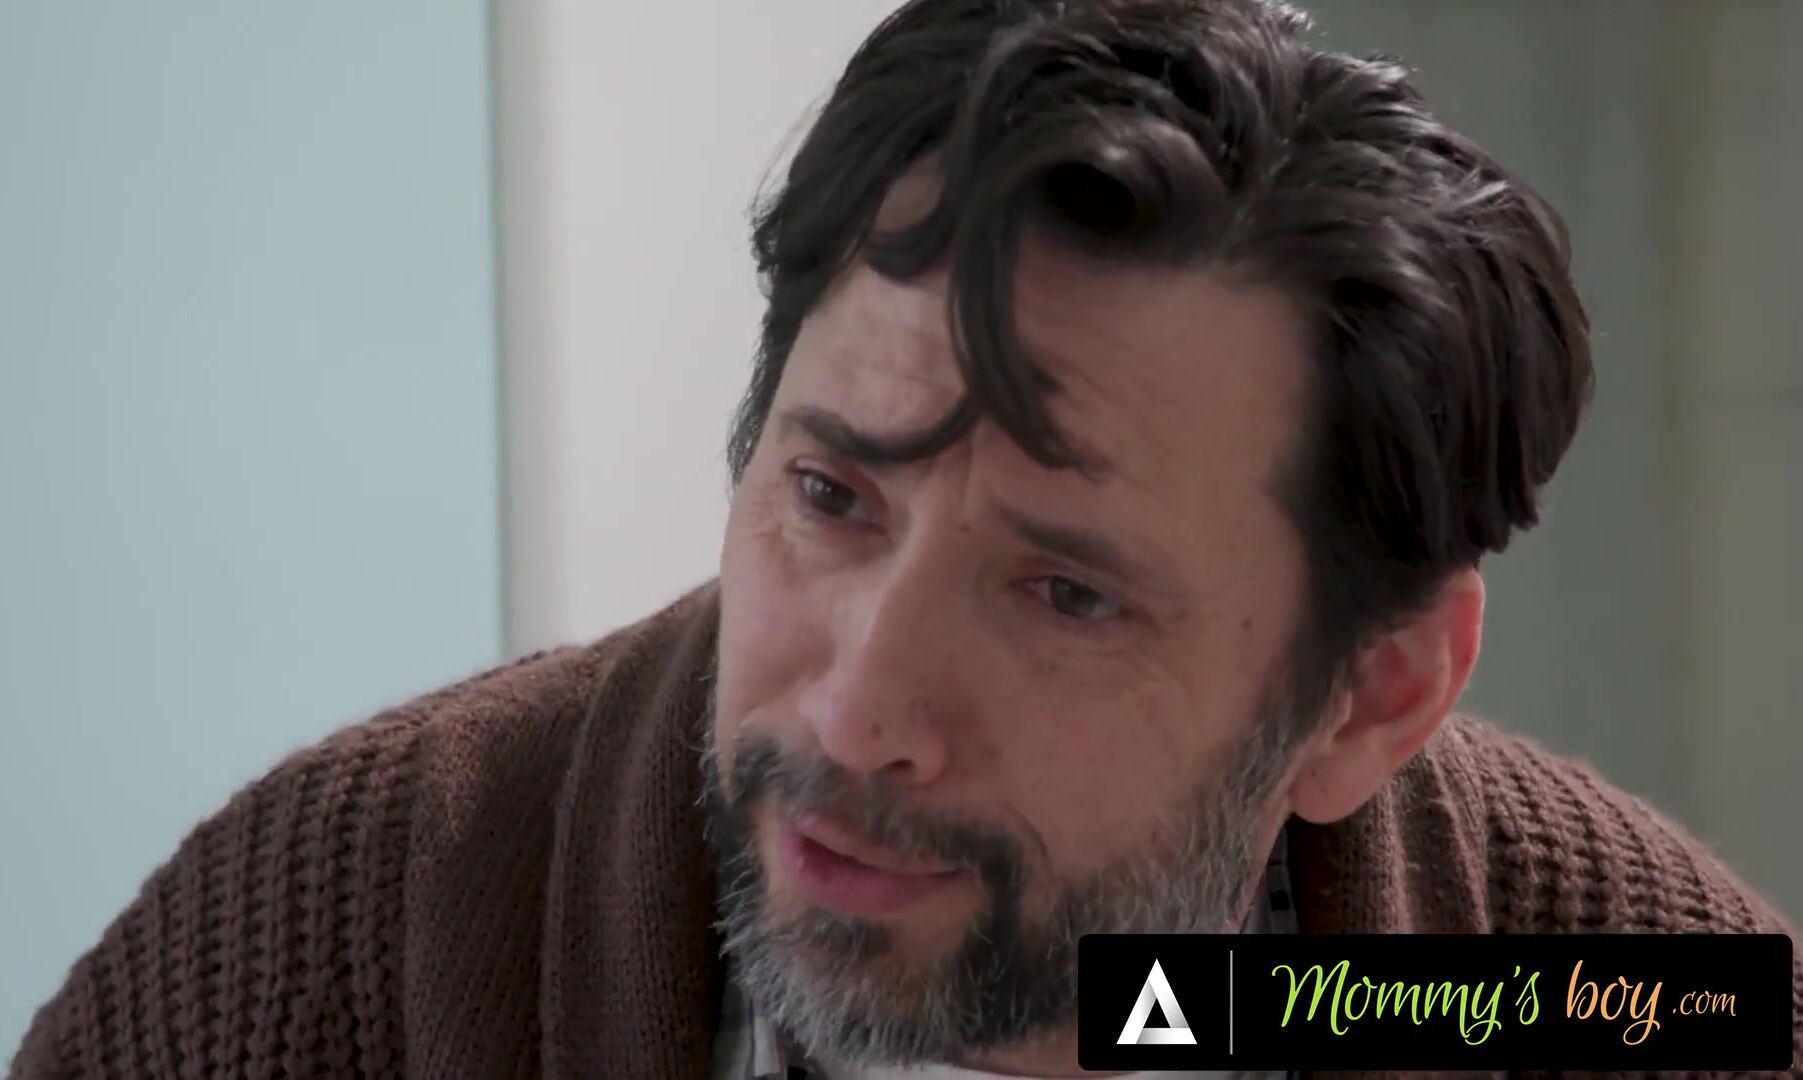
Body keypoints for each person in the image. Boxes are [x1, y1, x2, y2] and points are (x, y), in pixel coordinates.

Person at [11, 0, 1800, 1077]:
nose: (859, 714)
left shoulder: (1598, 998)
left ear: (1372, 697)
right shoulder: (337, 945)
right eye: (831, 499)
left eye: (1067, 593)